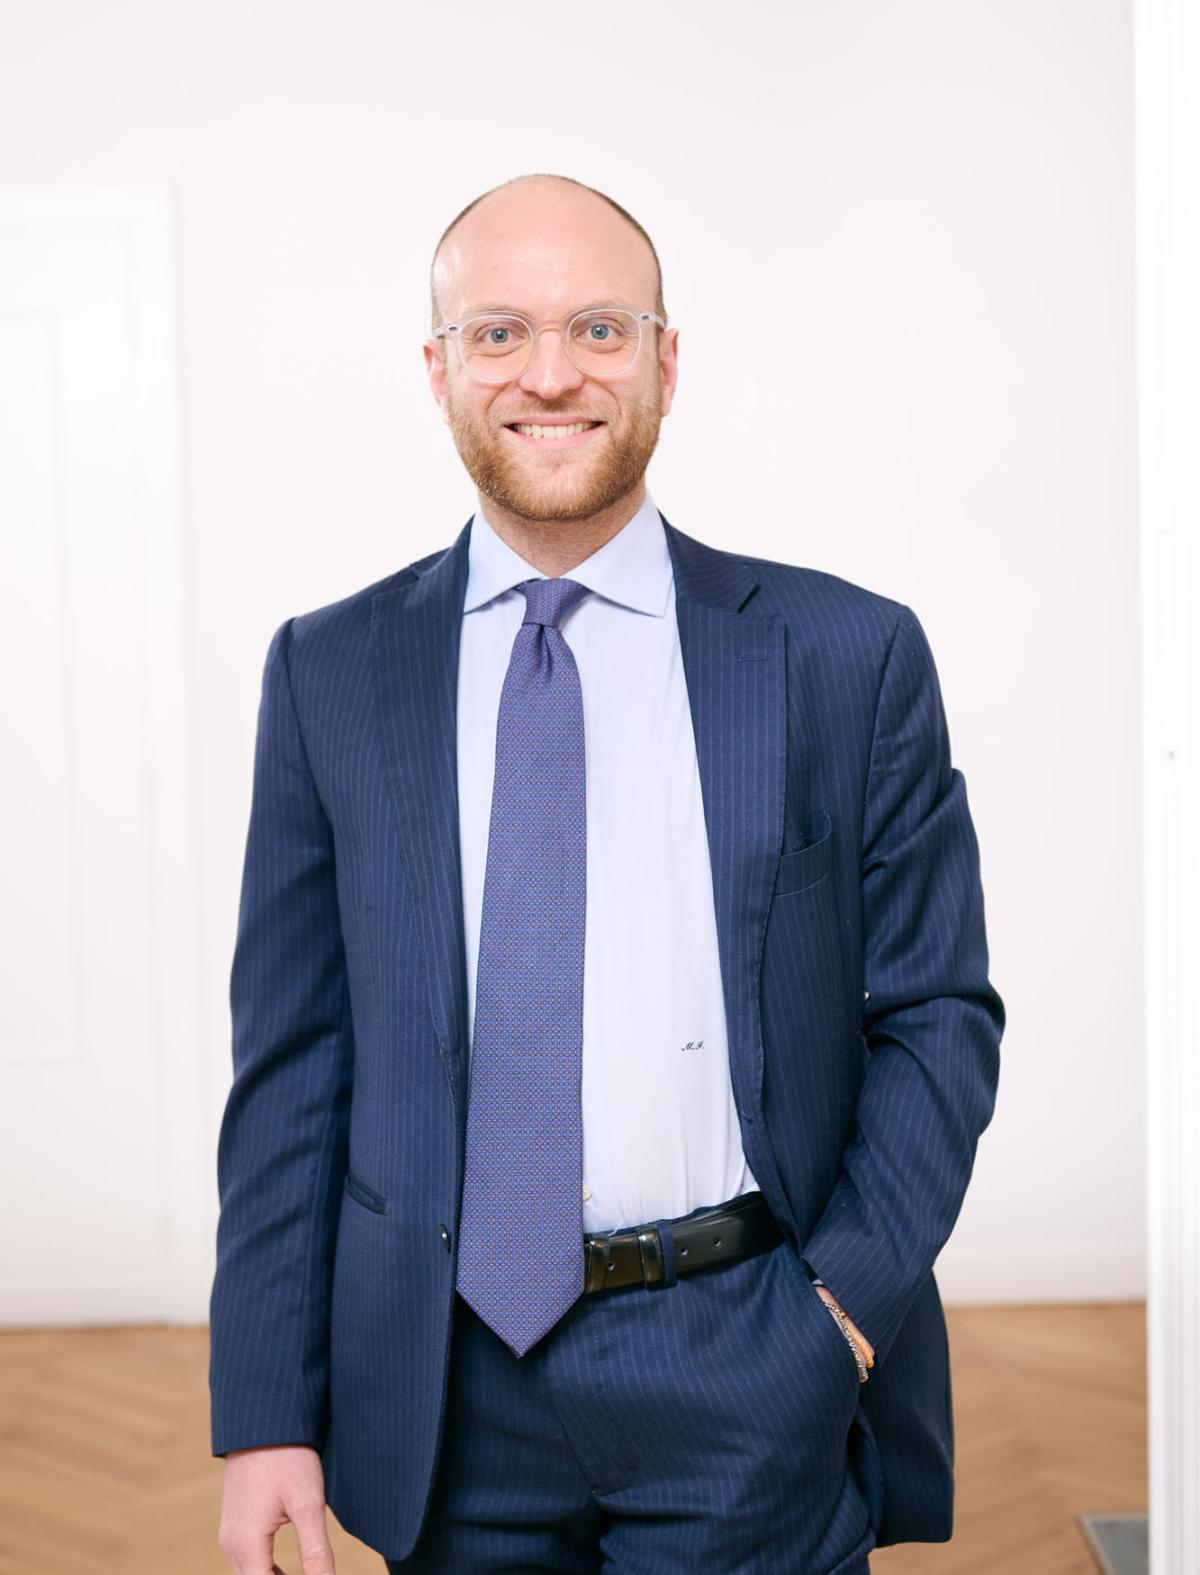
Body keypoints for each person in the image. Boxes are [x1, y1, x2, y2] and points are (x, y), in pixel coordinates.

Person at [209, 172, 1005, 1575]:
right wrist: (268, 1407)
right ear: (440, 370)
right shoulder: (329, 671)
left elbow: (939, 1013)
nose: (550, 374)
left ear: (666, 361)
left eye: (599, 327)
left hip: (746, 1356)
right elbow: (291, 1065)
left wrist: (840, 1312)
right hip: (441, 1385)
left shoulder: (844, 655)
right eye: (499, 332)